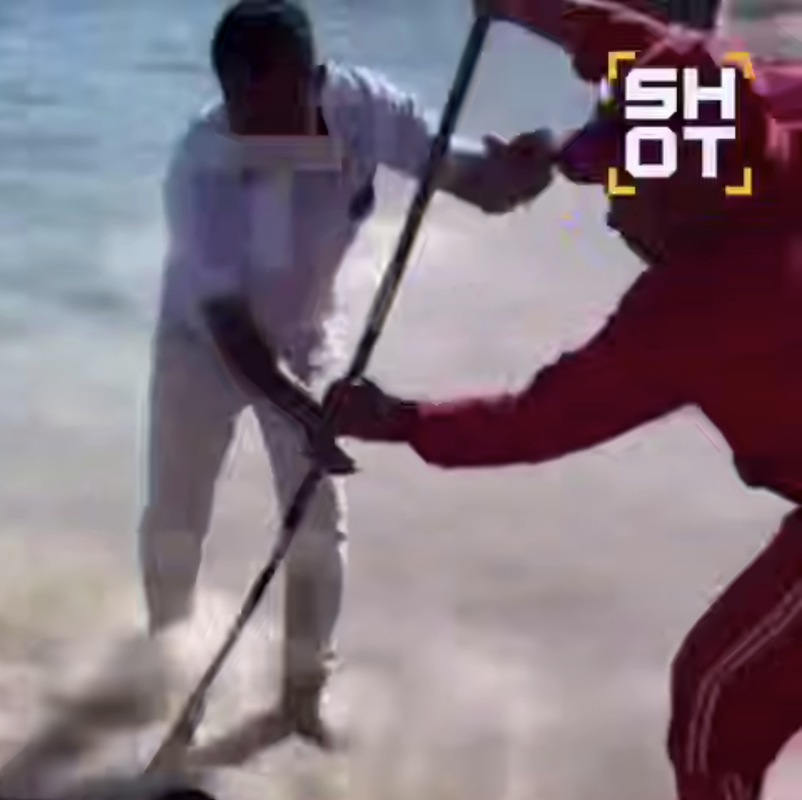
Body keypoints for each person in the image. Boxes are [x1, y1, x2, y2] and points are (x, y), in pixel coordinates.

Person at [326, 0, 802, 797]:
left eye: (624, 181)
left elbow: (539, 422)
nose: (609, 212)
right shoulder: (768, 110)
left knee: (715, 704)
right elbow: (653, 49)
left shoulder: (700, 307)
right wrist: (528, 12)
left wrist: (402, 421)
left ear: (685, 189)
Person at [139, 0, 556, 749]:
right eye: (245, 114)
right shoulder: (201, 166)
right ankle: (169, 680)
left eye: (276, 110)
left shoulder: (366, 109)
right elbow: (231, 328)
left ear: (314, 77)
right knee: (176, 517)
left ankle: (299, 701)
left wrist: (531, 167)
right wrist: (306, 412)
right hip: (200, 347)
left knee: (317, 523)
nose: (262, 134)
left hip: (303, 338)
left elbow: (474, 182)